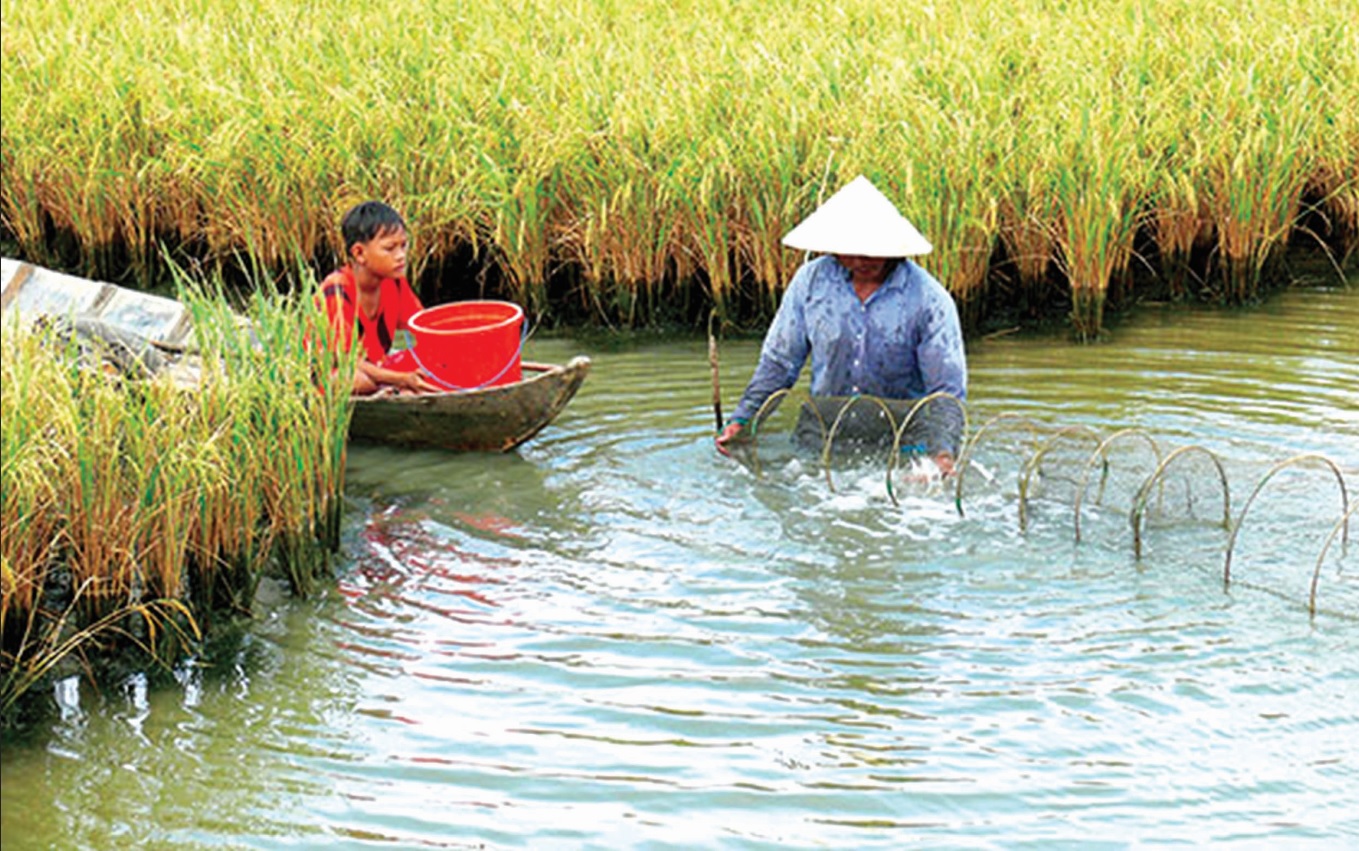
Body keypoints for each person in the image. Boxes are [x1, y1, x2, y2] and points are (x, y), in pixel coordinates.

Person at [715, 175, 968, 475]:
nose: (861, 259)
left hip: (901, 437)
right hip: (823, 430)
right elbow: (780, 363)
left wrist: (942, 454)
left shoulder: (929, 299)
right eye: (850, 250)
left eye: (871, 250)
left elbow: (946, 390)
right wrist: (743, 421)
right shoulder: (810, 283)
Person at [319, 200, 440, 396]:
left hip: (377, 371)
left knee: (425, 370)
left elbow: (425, 330)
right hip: (335, 375)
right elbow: (347, 361)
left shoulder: (395, 283)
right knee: (358, 381)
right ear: (359, 253)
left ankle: (391, 392)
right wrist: (403, 379)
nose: (401, 256)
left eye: (403, 245)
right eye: (390, 248)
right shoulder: (337, 291)